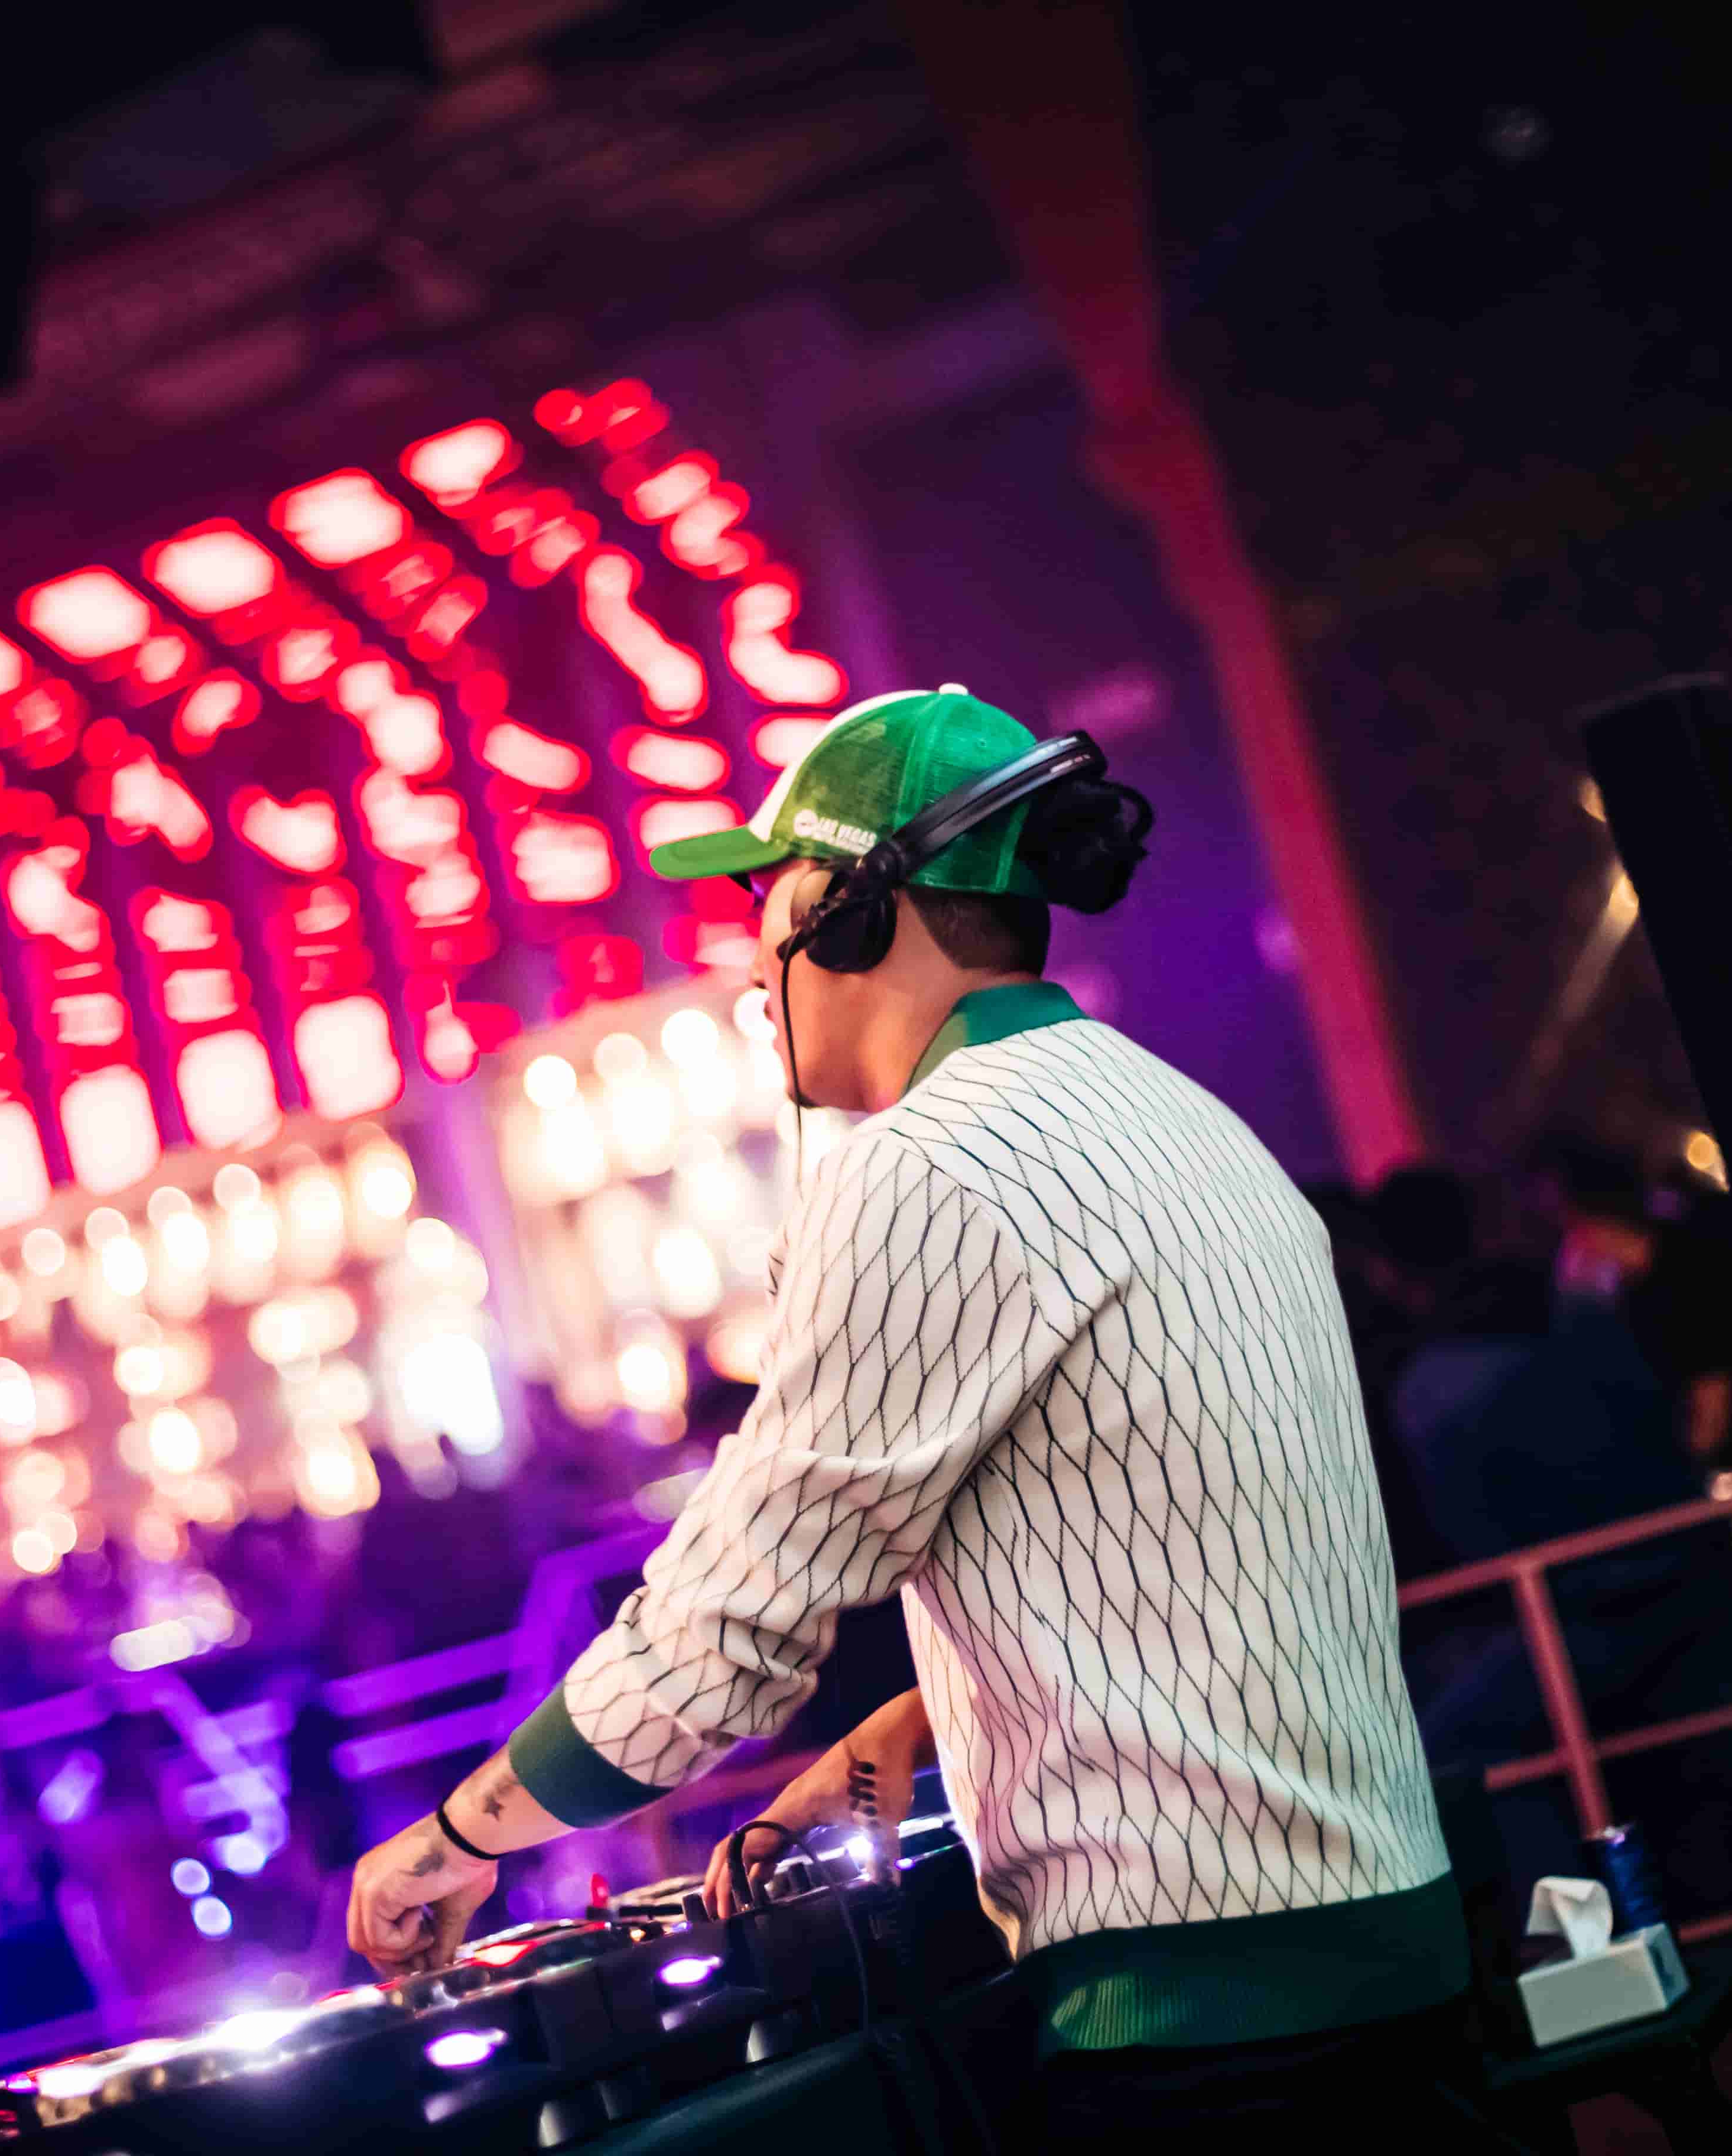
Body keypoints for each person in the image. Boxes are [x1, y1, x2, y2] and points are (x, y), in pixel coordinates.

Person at [344, 689, 1474, 2146]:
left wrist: (460, 1837)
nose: (753, 962)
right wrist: (899, 1737)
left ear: (848, 912)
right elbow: (1186, 1578)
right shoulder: (1190, 1123)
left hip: (1203, 2018)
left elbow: (726, 1627)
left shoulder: (926, 1171)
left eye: (763, 900)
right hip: (1388, 1946)